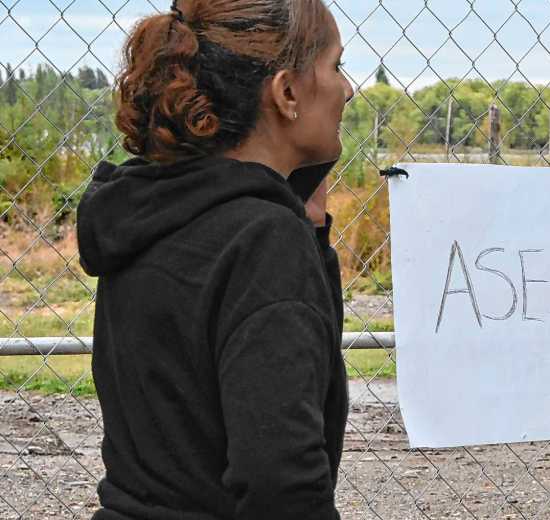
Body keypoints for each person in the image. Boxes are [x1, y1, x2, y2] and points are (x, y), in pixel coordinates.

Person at [76, 1, 354, 518]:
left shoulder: (153, 213)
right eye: (336, 66)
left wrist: (309, 226)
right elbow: (280, 484)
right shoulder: (262, 241)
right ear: (287, 92)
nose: (347, 89)